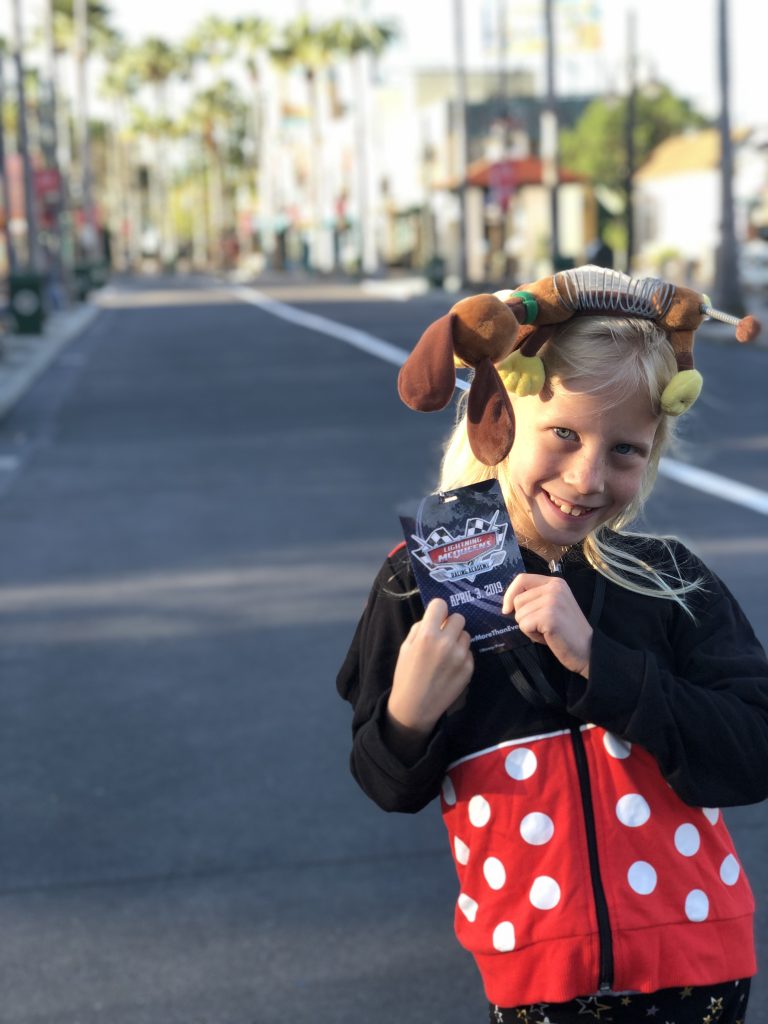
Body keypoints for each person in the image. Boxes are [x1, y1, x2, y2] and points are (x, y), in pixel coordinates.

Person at [336, 303, 768, 1023]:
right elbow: (385, 780)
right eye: (564, 433)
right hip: (537, 974)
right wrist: (409, 715)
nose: (588, 475)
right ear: (502, 417)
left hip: (699, 968)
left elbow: (754, 751)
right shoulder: (417, 584)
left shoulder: (670, 580)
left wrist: (602, 662)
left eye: (625, 449)